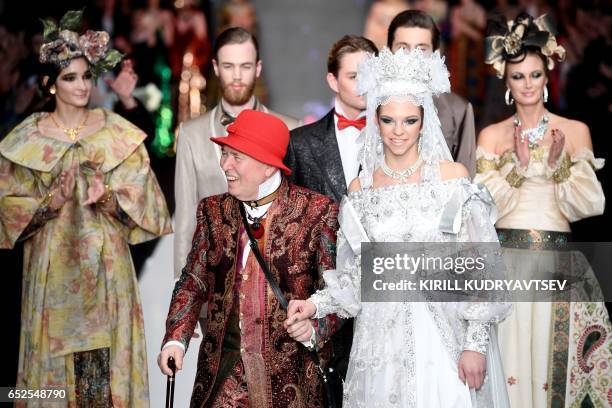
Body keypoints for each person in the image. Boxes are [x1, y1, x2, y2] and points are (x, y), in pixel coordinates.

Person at [286, 47, 510, 407]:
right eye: (388, 120)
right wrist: (314, 305)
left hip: (441, 337)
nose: (398, 132)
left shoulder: (452, 180)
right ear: (375, 120)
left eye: (410, 120)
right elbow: (355, 279)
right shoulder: (361, 191)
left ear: (425, 122)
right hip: (378, 344)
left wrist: (475, 344)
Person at [0, 10, 172, 406]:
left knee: (100, 382)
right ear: (51, 84)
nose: (81, 86)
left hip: (107, 275)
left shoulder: (115, 130)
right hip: (51, 278)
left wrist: (108, 197)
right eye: (70, 77)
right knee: (53, 382)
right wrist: (49, 204)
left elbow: (148, 208)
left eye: (86, 76)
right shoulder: (27, 137)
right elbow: (8, 214)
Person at [159, 109, 340, 407]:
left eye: (236, 157)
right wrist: (176, 339)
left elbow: (338, 291)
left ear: (268, 167)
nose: (225, 165)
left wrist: (314, 329)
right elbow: (192, 281)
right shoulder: (213, 211)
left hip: (290, 382)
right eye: (224, 154)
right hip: (222, 376)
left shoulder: (318, 212)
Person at [475, 13, 611, 407]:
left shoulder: (574, 131)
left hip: (558, 265)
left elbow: (590, 204)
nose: (528, 85)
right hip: (507, 265)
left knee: (560, 374)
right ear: (506, 81)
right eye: (518, 77)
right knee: (508, 371)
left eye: (535, 75)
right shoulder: (492, 136)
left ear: (547, 74)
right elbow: (483, 207)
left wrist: (557, 166)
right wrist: (516, 169)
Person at [174, 27, 300, 282]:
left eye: (245, 66)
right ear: (216, 68)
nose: (237, 76)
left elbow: (299, 215)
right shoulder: (191, 134)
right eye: (229, 66)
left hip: (273, 279)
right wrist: (184, 297)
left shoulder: (290, 129)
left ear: (258, 68)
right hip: (213, 281)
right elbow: (186, 221)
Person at [388, 9, 477, 176]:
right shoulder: (372, 103)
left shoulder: (458, 110)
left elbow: (467, 180)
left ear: (436, 54)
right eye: (403, 48)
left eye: (421, 49)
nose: (413, 57)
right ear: (389, 51)